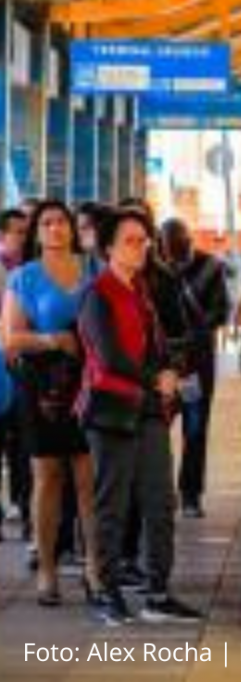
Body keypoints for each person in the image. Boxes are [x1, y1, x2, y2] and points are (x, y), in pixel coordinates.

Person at [77, 207, 201, 626]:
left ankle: (158, 592)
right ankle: (107, 592)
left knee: (160, 502)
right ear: (108, 247)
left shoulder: (141, 290)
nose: (142, 247)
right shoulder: (98, 293)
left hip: (147, 410)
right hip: (111, 410)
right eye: (131, 240)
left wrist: (169, 370)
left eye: (145, 240)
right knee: (112, 505)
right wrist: (156, 379)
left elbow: (155, 344)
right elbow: (110, 357)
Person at [0, 200, 100, 605]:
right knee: (47, 479)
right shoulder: (24, 277)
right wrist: (52, 339)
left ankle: (95, 565)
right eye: (47, 222)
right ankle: (47, 569)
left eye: (62, 222)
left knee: (89, 479)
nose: (56, 228)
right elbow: (10, 339)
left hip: (89, 384)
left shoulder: (94, 270)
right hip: (42, 387)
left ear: (72, 229)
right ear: (37, 231)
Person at [159, 218, 230, 518]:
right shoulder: (153, 269)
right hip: (160, 366)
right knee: (155, 427)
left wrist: (190, 338)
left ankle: (190, 493)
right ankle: (159, 491)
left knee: (194, 426)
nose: (173, 252)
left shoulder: (210, 267)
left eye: (179, 243)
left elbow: (220, 311)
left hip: (192, 367)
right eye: (167, 245)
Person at [0, 208, 30, 542]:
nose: (23, 238)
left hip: (22, 371)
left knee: (23, 446)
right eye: (17, 232)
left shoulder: (30, 271)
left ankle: (24, 506)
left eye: (26, 232)